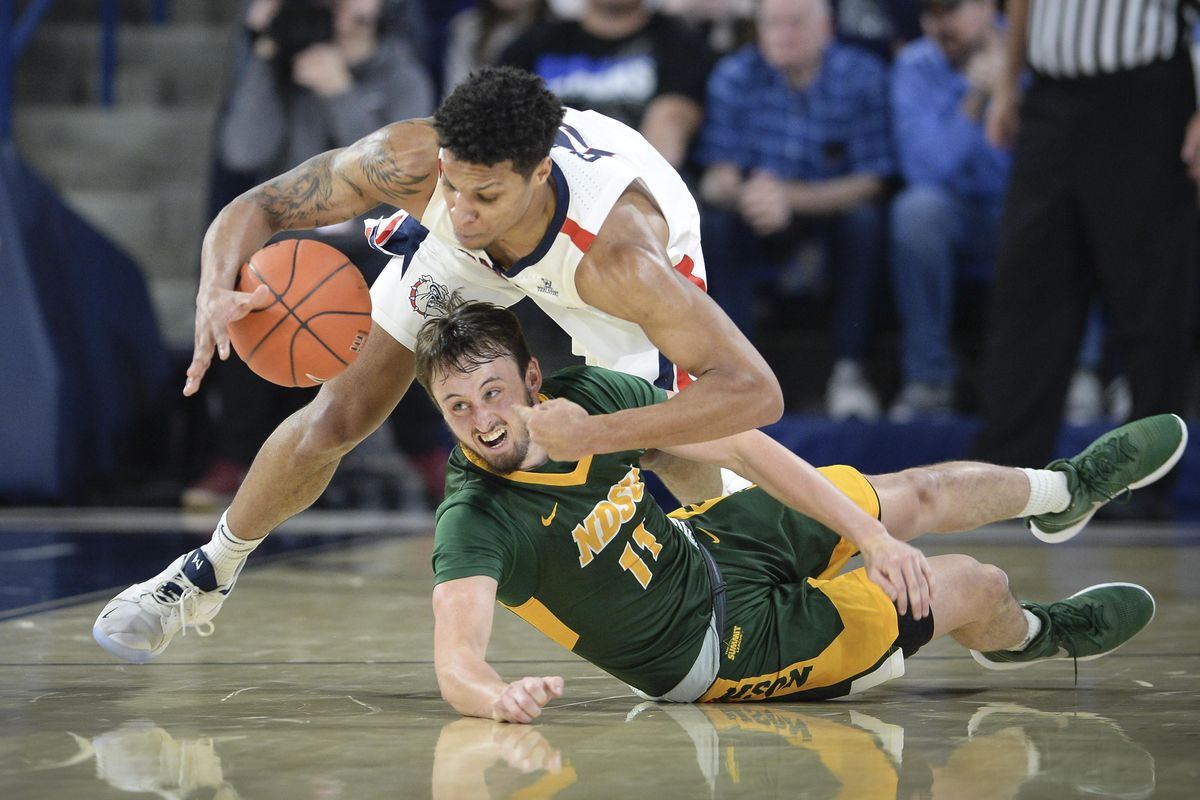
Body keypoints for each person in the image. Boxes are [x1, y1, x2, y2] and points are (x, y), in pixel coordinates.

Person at [90, 66, 783, 664]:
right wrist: (216, 282)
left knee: (679, 448)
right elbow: (261, 204)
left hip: (591, 268)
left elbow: (757, 393)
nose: (463, 209)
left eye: (485, 196)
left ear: (539, 173)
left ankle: (792, 580)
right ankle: (206, 572)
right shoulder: (417, 163)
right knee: (338, 416)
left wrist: (600, 434)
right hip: (489, 252)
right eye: (454, 187)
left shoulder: (626, 263)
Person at [417, 301, 1183, 721]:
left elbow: (746, 448)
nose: (483, 420)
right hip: (715, 652)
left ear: (531, 378)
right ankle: (1034, 636)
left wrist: (870, 535)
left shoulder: (592, 398)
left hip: (708, 548)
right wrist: (495, 696)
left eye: (492, 394)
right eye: (457, 408)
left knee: (913, 497)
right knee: (974, 583)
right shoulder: (476, 520)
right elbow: (457, 657)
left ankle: (1064, 492)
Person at [971, 0, 1199, 505]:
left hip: (1144, 98)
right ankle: (1009, 483)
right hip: (1051, 98)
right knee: (1027, 294)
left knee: (1150, 299)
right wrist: (1010, 84)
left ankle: (1146, 491)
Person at [694, 0, 894, 420]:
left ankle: (850, 370)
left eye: (797, 22)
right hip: (756, 216)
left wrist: (790, 198)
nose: (785, 33)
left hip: (832, 214)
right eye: (773, 23)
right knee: (713, 224)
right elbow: (717, 177)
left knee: (867, 223)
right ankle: (734, 374)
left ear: (827, 28)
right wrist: (750, 194)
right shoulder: (735, 75)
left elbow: (873, 180)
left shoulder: (861, 75)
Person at [498, 0, 716, 171]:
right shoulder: (529, 47)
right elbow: (503, 130)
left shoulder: (681, 45)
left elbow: (668, 136)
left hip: (638, 188)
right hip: (542, 185)